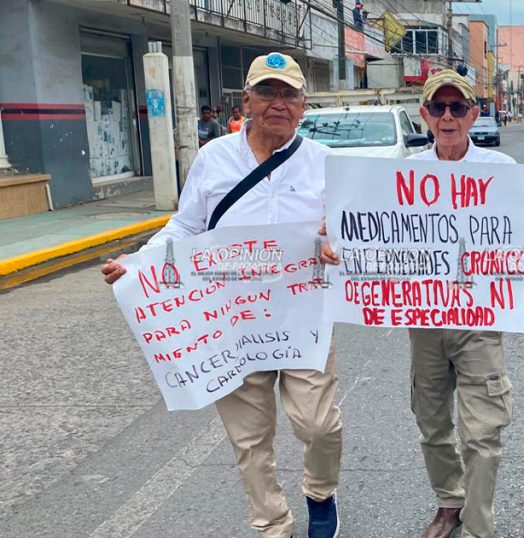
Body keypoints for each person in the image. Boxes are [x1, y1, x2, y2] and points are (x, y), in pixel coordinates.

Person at [102, 52, 343, 538]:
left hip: (302, 315)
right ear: (247, 100)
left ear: (303, 104)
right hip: (231, 320)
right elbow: (186, 225)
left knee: (319, 426)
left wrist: (334, 242)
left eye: (289, 94)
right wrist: (137, 265)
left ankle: (320, 493)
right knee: (250, 437)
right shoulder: (213, 159)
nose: (279, 104)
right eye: (267, 93)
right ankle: (272, 524)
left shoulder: (324, 163)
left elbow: (348, 229)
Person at [323, 69, 524, 538]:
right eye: (438, 108)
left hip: (480, 318)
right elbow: (369, 229)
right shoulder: (403, 174)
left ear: (473, 113)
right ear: (425, 114)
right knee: (431, 422)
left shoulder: (502, 172)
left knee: (483, 431)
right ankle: (450, 502)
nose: (448, 116)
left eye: (457, 107)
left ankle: (479, 526)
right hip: (424, 319)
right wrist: (339, 241)